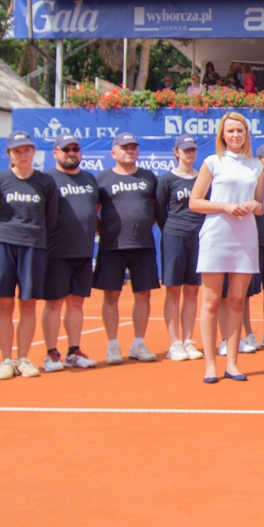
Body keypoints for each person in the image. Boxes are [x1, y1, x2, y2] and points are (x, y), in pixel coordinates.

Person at [193, 112, 264, 383]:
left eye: (240, 131)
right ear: (222, 135)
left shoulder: (256, 166)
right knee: (211, 302)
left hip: (245, 238)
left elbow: (261, 207)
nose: (235, 135)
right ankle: (210, 365)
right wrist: (224, 206)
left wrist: (254, 205)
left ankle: (232, 364)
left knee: (236, 302)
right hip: (216, 236)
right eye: (231, 131)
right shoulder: (212, 162)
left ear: (246, 134)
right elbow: (195, 202)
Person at [0, 131, 58, 379]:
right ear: (9, 154)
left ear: (33, 152)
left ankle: (24, 358)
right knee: (4, 304)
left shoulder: (45, 182)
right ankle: (6, 360)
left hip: (34, 247)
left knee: (28, 304)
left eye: (26, 150)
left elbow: (50, 218)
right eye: (17, 151)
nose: (22, 155)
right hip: (3, 245)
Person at [95, 132, 161, 365]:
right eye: (124, 147)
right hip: (112, 245)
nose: (129, 151)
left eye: (133, 147)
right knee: (111, 295)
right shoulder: (101, 179)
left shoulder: (148, 177)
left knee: (143, 294)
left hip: (143, 244)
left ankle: (138, 344)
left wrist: (141, 225)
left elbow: (154, 209)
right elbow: (92, 212)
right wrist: (103, 231)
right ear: (113, 152)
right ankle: (113, 346)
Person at [41, 136, 100, 371]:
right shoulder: (46, 179)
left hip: (83, 251)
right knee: (54, 303)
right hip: (55, 251)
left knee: (76, 302)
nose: (71, 153)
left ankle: (73, 352)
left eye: (75, 149)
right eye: (66, 149)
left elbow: (94, 208)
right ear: (55, 152)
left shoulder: (89, 179)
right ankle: (51, 354)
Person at [156, 136, 205, 361]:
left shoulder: (202, 178)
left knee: (193, 290)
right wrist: (172, 229)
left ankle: (188, 340)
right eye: (186, 150)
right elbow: (160, 210)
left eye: (193, 149)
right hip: (174, 236)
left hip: (198, 238)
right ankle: (174, 342)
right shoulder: (167, 179)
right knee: (173, 290)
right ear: (177, 152)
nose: (190, 153)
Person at [240, 143, 264, 353]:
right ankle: (248, 333)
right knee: (246, 292)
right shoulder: (250, 182)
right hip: (253, 244)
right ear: (258, 160)